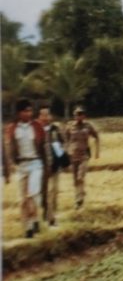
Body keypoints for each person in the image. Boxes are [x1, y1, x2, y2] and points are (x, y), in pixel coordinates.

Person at [4, 98, 45, 237]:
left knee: (32, 194)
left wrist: (48, 165)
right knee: (23, 199)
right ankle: (28, 227)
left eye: (30, 111)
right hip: (21, 165)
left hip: (35, 164)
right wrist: (9, 167)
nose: (29, 113)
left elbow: (44, 147)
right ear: (19, 113)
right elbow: (9, 149)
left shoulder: (37, 126)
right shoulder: (12, 128)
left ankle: (34, 220)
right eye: (26, 111)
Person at [65, 106, 100, 208]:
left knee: (80, 176)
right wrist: (67, 151)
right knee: (75, 180)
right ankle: (78, 198)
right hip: (73, 155)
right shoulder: (70, 127)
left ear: (84, 116)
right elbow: (66, 139)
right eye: (76, 114)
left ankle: (80, 198)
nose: (78, 116)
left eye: (80, 114)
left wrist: (97, 151)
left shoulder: (88, 126)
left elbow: (96, 136)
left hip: (84, 155)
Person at [38, 105, 66, 227]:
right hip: (41, 167)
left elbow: (62, 143)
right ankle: (45, 210)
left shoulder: (55, 129)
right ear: (39, 117)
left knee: (53, 192)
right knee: (43, 193)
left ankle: (52, 218)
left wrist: (62, 160)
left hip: (54, 166)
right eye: (43, 115)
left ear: (50, 116)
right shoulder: (36, 130)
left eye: (47, 114)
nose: (45, 117)